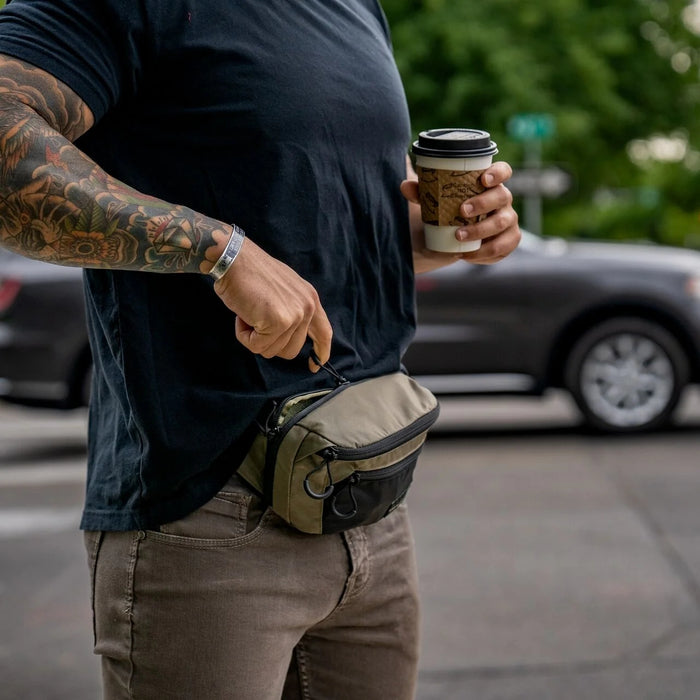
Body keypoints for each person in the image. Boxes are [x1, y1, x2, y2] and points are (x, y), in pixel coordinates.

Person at [0, 0, 520, 698]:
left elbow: (326, 224)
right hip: (210, 511)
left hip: (371, 498)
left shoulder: (355, 7)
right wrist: (218, 251)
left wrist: (441, 236)